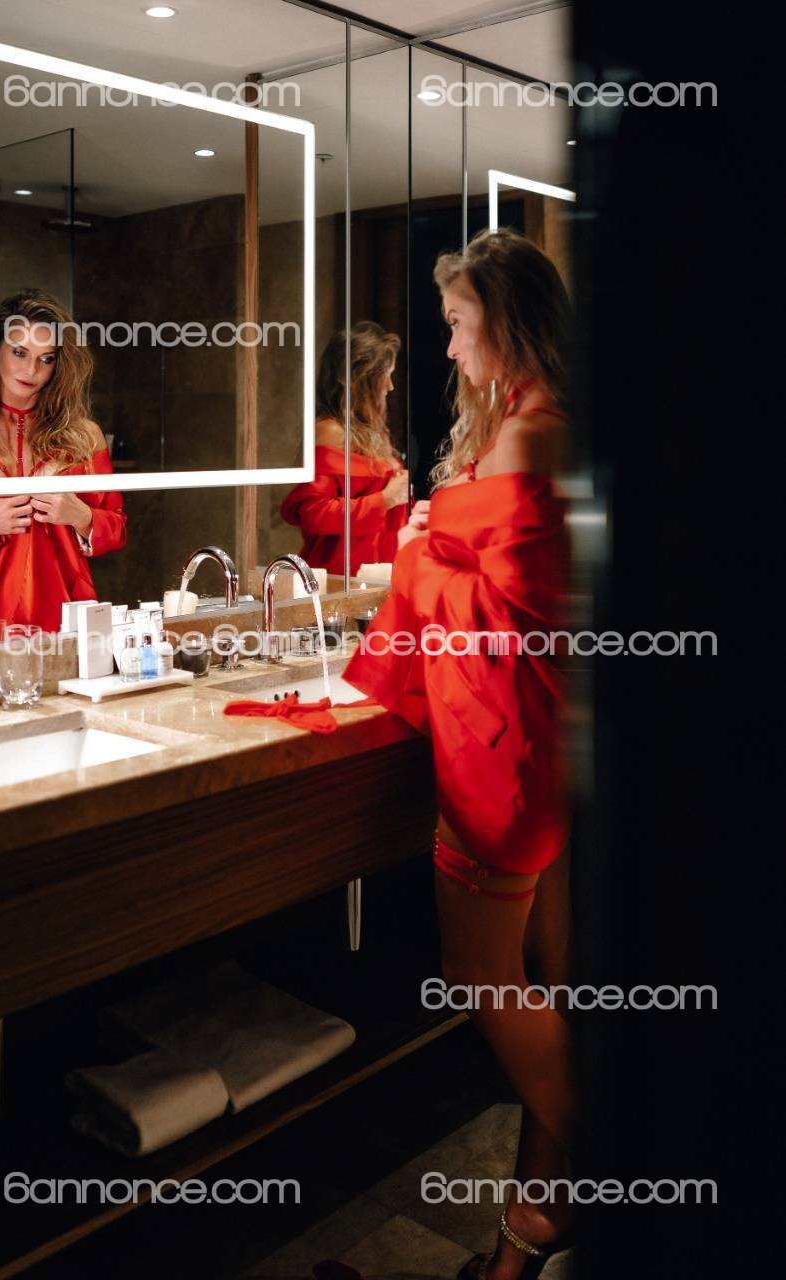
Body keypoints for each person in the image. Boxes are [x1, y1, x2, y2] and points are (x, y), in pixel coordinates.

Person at [344, 229, 574, 1280]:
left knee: (480, 973)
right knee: (548, 982)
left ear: (505, 322)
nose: (444, 348)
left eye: (454, 324)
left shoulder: (536, 436)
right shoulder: (527, 422)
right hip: (526, 737)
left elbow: (516, 616)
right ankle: (531, 1225)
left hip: (503, 745)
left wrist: (416, 557)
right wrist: (429, 546)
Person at [0, 289, 126, 631]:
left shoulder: (85, 436)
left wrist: (81, 516)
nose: (31, 369)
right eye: (19, 352)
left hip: (70, 621)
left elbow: (117, 529)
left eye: (46, 358)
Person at [280, 321, 409, 576]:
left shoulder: (369, 432)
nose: (390, 386)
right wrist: (385, 499)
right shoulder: (332, 431)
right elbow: (314, 514)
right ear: (359, 379)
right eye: (385, 375)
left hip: (376, 574)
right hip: (342, 577)